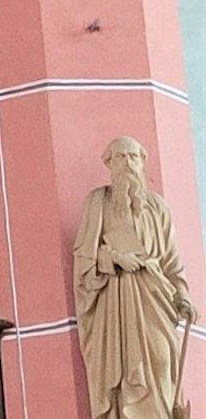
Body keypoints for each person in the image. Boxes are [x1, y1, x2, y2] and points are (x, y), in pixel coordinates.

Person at [75, 135, 195, 419]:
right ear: (109, 163)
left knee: (162, 360)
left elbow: (171, 261)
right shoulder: (98, 202)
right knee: (124, 371)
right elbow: (84, 259)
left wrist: (183, 295)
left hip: (155, 299)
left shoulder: (157, 207)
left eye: (134, 157)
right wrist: (115, 259)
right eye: (121, 157)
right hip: (116, 303)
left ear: (142, 163)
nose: (128, 164)